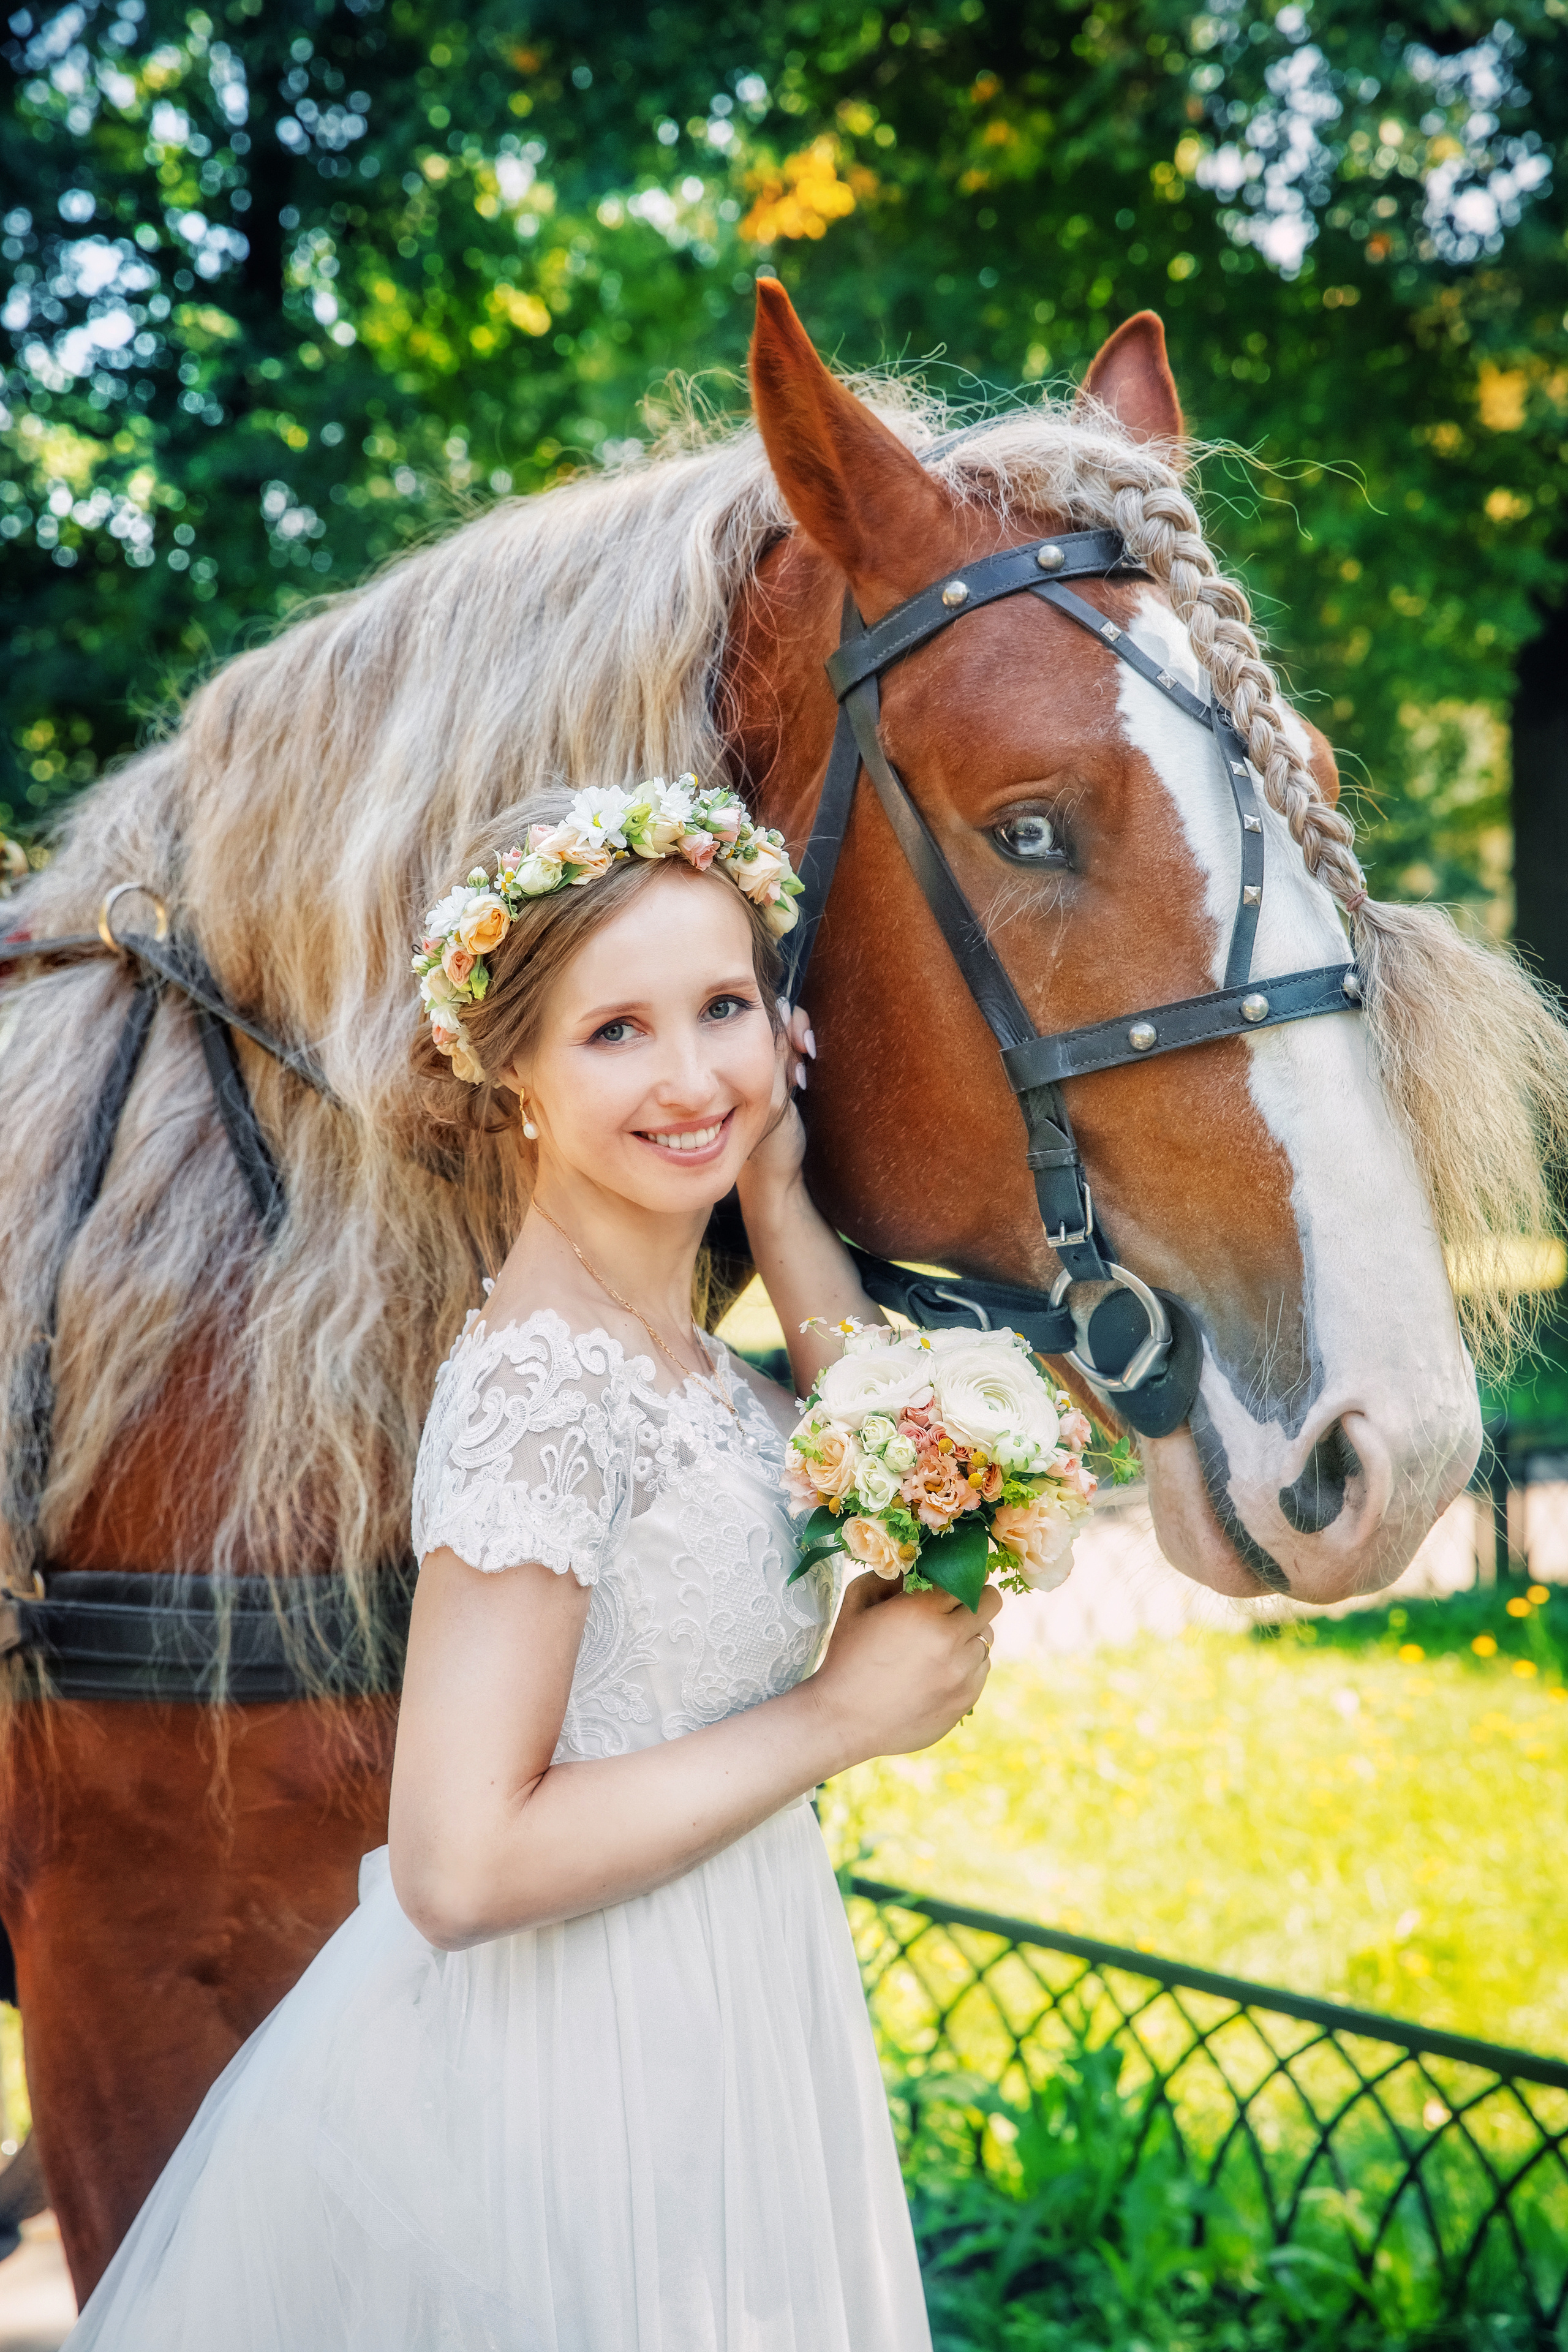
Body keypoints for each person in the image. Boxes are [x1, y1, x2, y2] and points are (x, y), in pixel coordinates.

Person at [68, 776, 999, 2351]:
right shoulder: (542, 1390)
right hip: (585, 2061)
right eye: (613, 1031)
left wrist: (773, 1193)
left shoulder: (697, 1364)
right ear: (514, 1080)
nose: (692, 1072)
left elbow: (904, 1484)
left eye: (722, 1006)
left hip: (735, 2003)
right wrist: (834, 1723)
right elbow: (457, 1868)